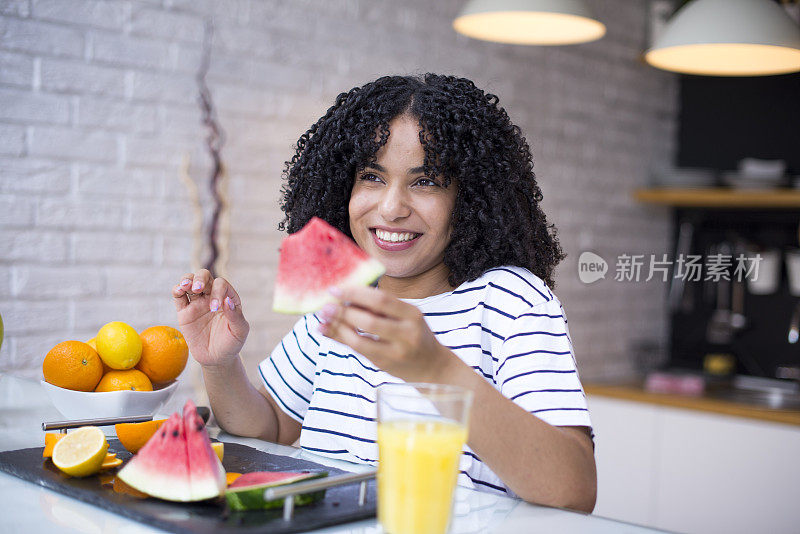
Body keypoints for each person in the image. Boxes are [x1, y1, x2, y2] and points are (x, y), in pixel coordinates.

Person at [172, 74, 597, 512]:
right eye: (372, 176)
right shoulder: (345, 299)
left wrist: (435, 368)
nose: (391, 208)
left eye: (425, 180)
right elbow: (271, 425)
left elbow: (574, 489)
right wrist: (219, 363)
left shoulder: (511, 301)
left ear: (468, 197)